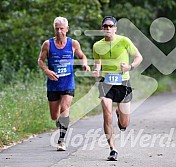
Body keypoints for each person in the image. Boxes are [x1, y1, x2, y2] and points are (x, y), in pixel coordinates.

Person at [93, 16, 143, 161]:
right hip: (106, 83)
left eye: (110, 26)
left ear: (115, 28)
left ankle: (119, 114)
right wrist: (96, 70)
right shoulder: (97, 45)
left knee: (124, 123)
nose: (108, 29)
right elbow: (97, 63)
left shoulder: (124, 41)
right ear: (102, 29)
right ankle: (112, 149)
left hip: (123, 83)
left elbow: (139, 57)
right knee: (106, 113)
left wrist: (129, 67)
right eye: (105, 26)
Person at [38, 16, 90, 151]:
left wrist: (84, 64)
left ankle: (61, 140)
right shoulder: (48, 44)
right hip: (53, 83)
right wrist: (47, 70)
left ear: (67, 29)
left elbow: (82, 56)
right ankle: (60, 123)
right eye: (57, 29)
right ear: (54, 29)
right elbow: (40, 60)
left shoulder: (73, 43)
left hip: (68, 82)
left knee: (65, 107)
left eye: (62, 28)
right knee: (54, 115)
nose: (59, 31)